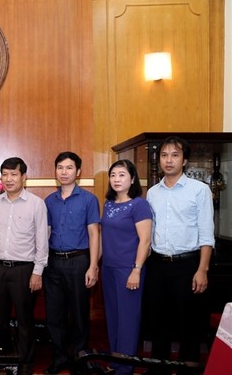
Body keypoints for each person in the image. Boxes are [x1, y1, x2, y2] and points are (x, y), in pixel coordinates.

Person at [145, 136, 214, 374]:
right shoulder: (153, 192)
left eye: (175, 155)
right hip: (157, 265)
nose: (169, 160)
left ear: (184, 160)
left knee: (190, 326)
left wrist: (202, 270)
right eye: (164, 155)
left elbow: (207, 234)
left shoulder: (200, 190)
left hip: (188, 265)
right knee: (158, 323)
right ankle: (159, 370)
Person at [0, 157, 49, 375]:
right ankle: (2, 359)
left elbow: (42, 241)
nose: (9, 179)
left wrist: (37, 271)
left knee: (24, 320)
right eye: (5, 174)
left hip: (24, 269)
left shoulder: (36, 204)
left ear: (24, 177)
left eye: (14, 174)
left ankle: (25, 363)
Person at [43, 152, 100, 374]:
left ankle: (79, 360)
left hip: (79, 262)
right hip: (53, 263)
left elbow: (94, 234)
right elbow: (45, 234)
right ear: (55, 171)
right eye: (60, 168)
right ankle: (59, 359)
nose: (64, 172)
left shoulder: (88, 199)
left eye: (69, 168)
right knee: (54, 315)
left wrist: (93, 266)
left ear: (78, 172)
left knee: (79, 315)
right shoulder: (49, 201)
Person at [101, 159, 152, 375]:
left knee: (128, 319)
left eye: (122, 175)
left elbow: (145, 241)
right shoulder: (108, 203)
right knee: (113, 317)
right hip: (108, 268)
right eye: (113, 175)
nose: (116, 179)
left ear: (132, 179)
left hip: (129, 269)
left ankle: (126, 368)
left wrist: (136, 269)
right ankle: (116, 360)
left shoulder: (139, 204)